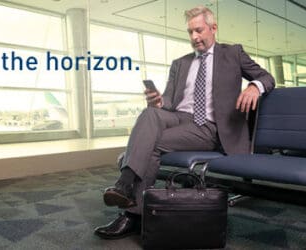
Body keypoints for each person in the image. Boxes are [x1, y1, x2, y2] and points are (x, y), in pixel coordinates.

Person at [94, 5, 275, 239]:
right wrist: (159, 101)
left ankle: (131, 213)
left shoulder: (233, 53)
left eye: (198, 30)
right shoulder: (180, 63)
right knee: (150, 114)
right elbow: (169, 101)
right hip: (179, 118)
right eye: (190, 32)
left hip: (209, 127)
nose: (194, 37)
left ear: (213, 28)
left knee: (151, 145)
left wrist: (254, 86)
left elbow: (266, 77)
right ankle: (126, 188)